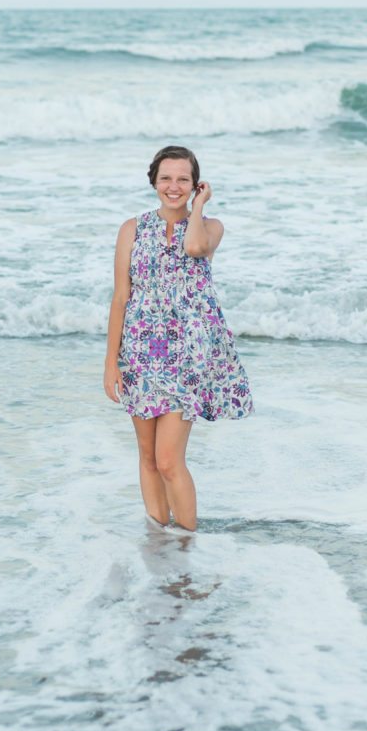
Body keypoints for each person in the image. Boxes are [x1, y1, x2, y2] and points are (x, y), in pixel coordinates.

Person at [103, 145, 255, 533]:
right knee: (148, 458)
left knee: (169, 460)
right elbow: (121, 296)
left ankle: (188, 546)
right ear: (153, 181)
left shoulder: (210, 226)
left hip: (187, 353)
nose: (174, 186)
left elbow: (193, 248)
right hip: (139, 352)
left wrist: (199, 206)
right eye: (166, 178)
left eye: (183, 179)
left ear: (195, 183)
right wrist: (111, 363)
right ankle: (159, 542)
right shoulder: (131, 229)